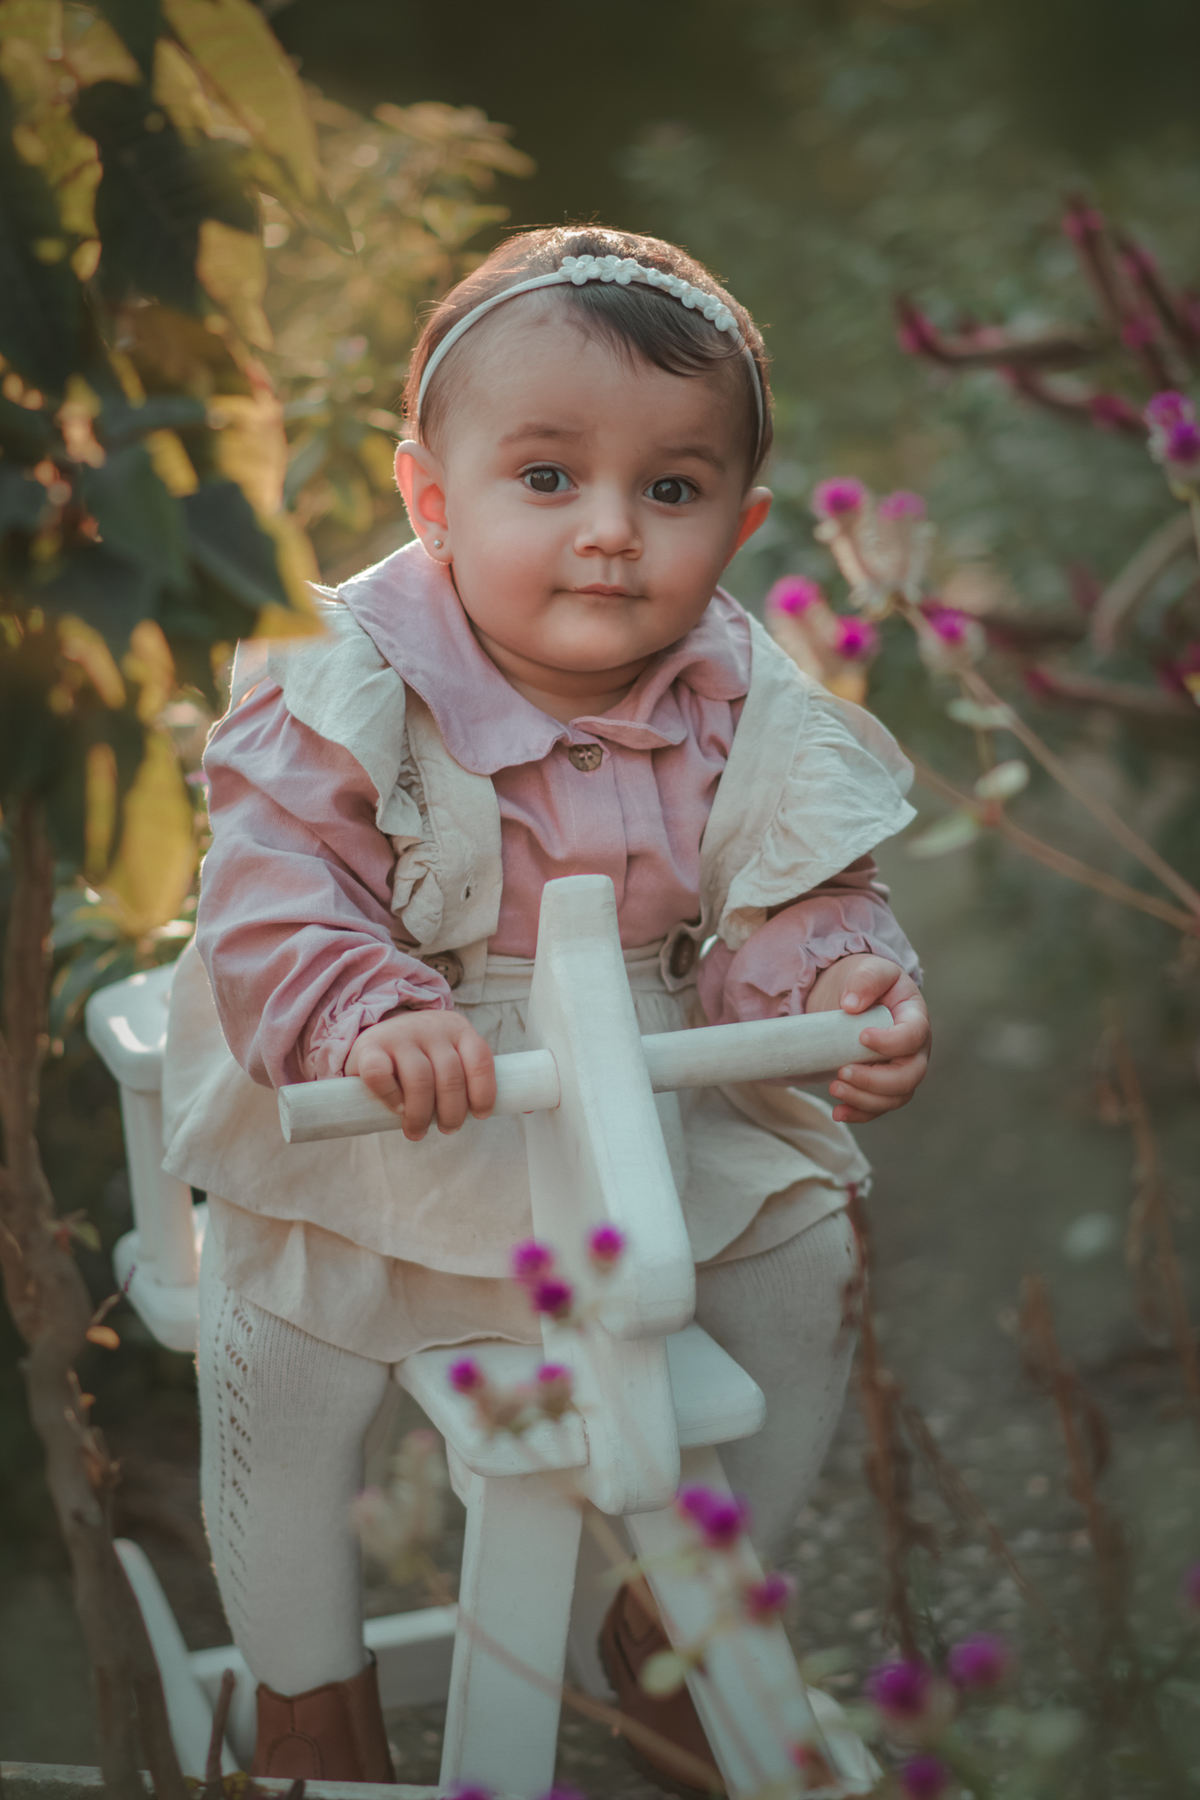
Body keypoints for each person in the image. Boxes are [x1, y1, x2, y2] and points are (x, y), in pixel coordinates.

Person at [162, 225, 930, 1784]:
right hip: (395, 1097)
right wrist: (366, 1010)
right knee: (286, 1344)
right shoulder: (347, 672)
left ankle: (673, 1625)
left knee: (803, 1270)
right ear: (431, 502)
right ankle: (307, 1693)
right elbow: (274, 887)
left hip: (645, 1091)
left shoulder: (740, 693)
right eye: (546, 479)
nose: (608, 535)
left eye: (670, 489)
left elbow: (798, 885)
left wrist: (840, 980)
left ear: (741, 520)